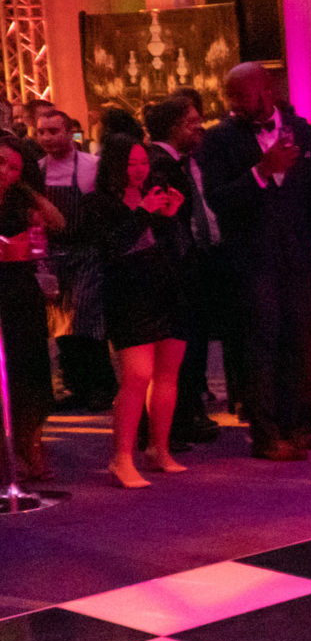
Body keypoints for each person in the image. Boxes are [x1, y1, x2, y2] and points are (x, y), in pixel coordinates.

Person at [198, 63, 311, 461]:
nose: (234, 104)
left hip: (297, 256)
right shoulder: (218, 141)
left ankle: (296, 422)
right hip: (249, 259)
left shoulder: (304, 134)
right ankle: (265, 434)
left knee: (302, 343)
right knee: (260, 345)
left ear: (266, 91)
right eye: (230, 96)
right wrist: (262, 172)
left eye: (241, 95)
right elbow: (218, 200)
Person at [85, 136, 190, 488]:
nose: (139, 170)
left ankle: (159, 448)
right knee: (136, 375)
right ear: (113, 165)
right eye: (131, 163)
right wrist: (145, 210)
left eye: (143, 162)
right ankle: (122, 457)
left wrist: (170, 215)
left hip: (167, 289)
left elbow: (175, 247)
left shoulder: (153, 195)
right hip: (129, 295)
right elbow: (113, 248)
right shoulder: (99, 203)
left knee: (168, 375)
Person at [142, 95, 221, 446]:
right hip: (173, 270)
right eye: (192, 122)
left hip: (186, 264)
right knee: (173, 353)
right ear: (175, 127)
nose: (199, 127)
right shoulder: (161, 165)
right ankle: (168, 427)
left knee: (188, 350)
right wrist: (181, 265)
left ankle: (182, 418)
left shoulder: (181, 161)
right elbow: (167, 223)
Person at [34, 108, 112, 412]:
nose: (47, 138)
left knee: (86, 318)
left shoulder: (92, 166)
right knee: (60, 322)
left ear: (70, 133)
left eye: (54, 131)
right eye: (41, 132)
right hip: (53, 254)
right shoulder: (37, 170)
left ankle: (102, 387)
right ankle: (76, 387)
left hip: (86, 250)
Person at [0, 136, 60, 480]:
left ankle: (30, 443)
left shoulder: (20, 198)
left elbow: (57, 221)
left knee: (31, 371)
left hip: (20, 290)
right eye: (2, 163)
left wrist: (25, 187)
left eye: (14, 167)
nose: (5, 171)